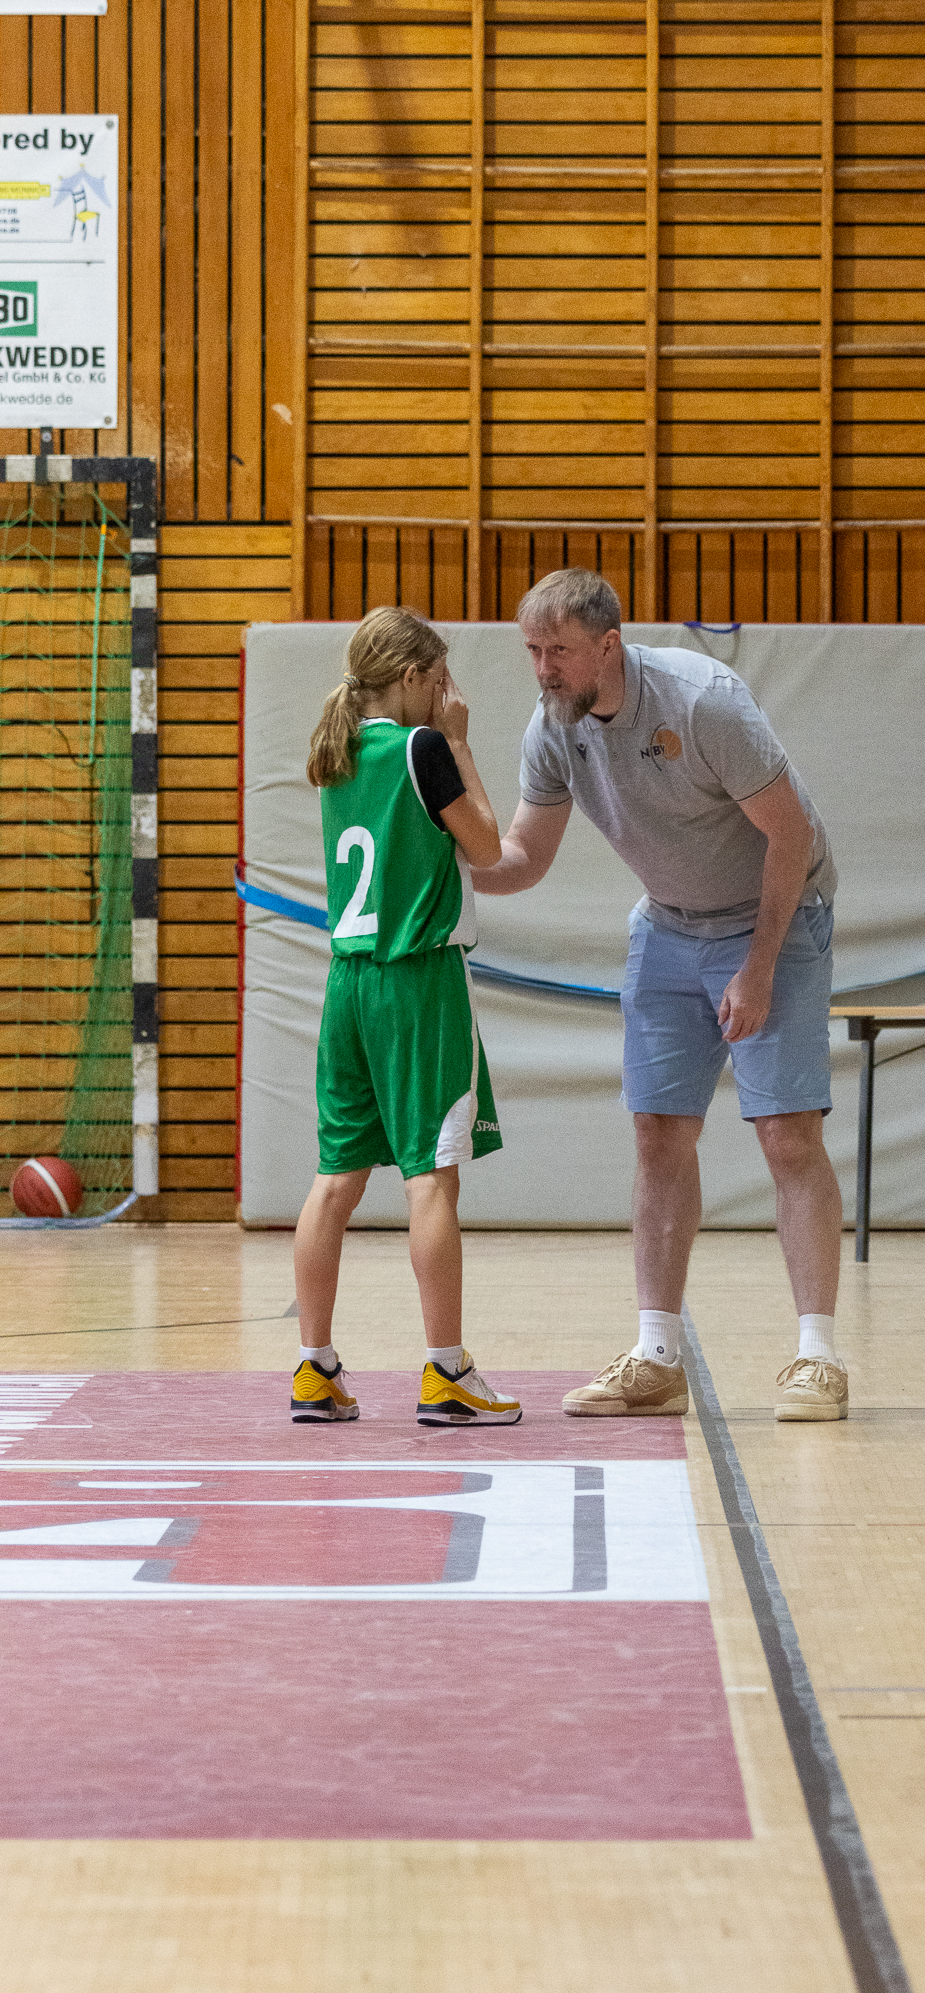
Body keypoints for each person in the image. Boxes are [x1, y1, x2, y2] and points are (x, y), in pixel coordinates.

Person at [471, 567, 847, 1423]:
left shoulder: (701, 701)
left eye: (558, 650)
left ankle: (817, 1357)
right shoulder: (553, 726)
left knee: (787, 1135)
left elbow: (790, 834)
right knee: (657, 1134)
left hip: (775, 917)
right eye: (531, 650)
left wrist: (758, 967)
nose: (542, 668)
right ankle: (656, 1356)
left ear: (608, 645)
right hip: (668, 926)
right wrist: (437, 859)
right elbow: (522, 859)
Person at [289, 606, 522, 1430]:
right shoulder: (422, 747)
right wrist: (460, 742)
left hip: (347, 983)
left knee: (335, 1180)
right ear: (413, 675)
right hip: (417, 980)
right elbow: (488, 849)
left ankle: (314, 1369)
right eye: (440, 677)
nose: (447, 692)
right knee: (431, 1176)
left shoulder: (338, 750)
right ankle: (447, 1372)